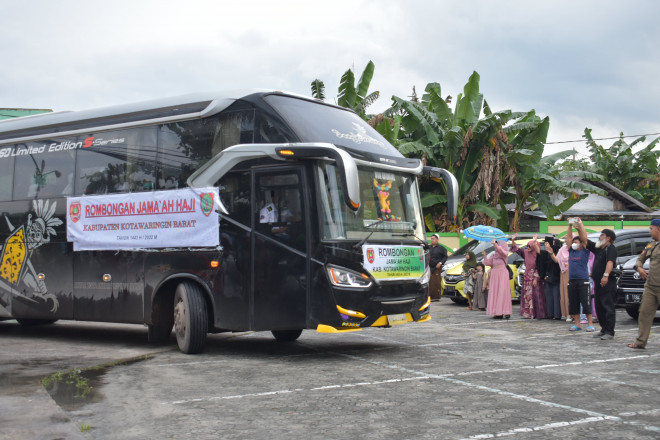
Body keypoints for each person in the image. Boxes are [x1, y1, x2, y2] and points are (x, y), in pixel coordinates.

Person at [577, 220, 618, 340]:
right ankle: (603, 329)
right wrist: (579, 227)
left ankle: (610, 332)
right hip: (598, 283)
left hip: (607, 283)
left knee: (608, 307)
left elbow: (610, 262)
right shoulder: (599, 248)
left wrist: (605, 275)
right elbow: (585, 240)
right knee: (599, 307)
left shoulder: (611, 249)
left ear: (608, 238)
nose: (600, 237)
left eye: (602, 235)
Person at [628, 218, 660, 349]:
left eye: (651, 228)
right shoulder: (651, 245)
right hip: (651, 286)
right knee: (644, 313)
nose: (650, 231)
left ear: (658, 229)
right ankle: (640, 342)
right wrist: (640, 268)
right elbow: (639, 260)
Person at [565, 221, 595, 332]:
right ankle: (577, 325)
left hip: (583, 281)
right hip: (572, 281)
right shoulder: (571, 251)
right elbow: (568, 239)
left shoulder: (584, 251)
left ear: (581, 244)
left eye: (576, 242)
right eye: (574, 242)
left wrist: (580, 227)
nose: (574, 243)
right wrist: (569, 226)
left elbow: (585, 238)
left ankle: (590, 324)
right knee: (574, 303)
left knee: (586, 303)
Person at [511, 234, 544, 319]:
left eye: (529, 246)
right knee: (527, 295)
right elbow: (517, 250)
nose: (528, 247)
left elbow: (539, 267)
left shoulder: (537, 255)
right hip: (527, 277)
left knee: (535, 295)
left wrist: (536, 278)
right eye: (527, 246)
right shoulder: (526, 253)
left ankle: (536, 313)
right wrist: (513, 241)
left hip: (534, 276)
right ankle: (528, 312)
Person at [482, 238, 513, 319]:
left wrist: (495, 244)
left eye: (498, 244)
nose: (496, 246)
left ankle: (505, 311)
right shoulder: (494, 254)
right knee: (495, 292)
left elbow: (503, 253)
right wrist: (484, 255)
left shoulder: (504, 253)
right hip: (495, 273)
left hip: (502, 273)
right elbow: (488, 263)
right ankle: (496, 311)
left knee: (502, 292)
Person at [541, 238, 562, 320]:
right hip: (548, 277)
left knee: (556, 297)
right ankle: (550, 313)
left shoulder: (559, 252)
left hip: (556, 277)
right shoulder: (547, 254)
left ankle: (557, 314)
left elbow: (556, 262)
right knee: (549, 297)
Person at [428, 233, 448, 301]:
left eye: (433, 239)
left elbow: (445, 257)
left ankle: (436, 297)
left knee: (436, 282)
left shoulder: (441, 248)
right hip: (429, 267)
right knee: (430, 282)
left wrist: (440, 263)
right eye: (431, 239)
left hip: (437, 268)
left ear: (437, 239)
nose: (432, 240)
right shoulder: (429, 247)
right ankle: (430, 296)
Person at [556, 241, 571, 321]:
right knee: (564, 293)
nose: (566, 240)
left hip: (573, 272)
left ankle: (574, 314)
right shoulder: (562, 249)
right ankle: (567, 313)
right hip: (564, 272)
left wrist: (570, 264)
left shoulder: (576, 249)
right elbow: (556, 260)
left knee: (570, 293)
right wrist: (551, 253)